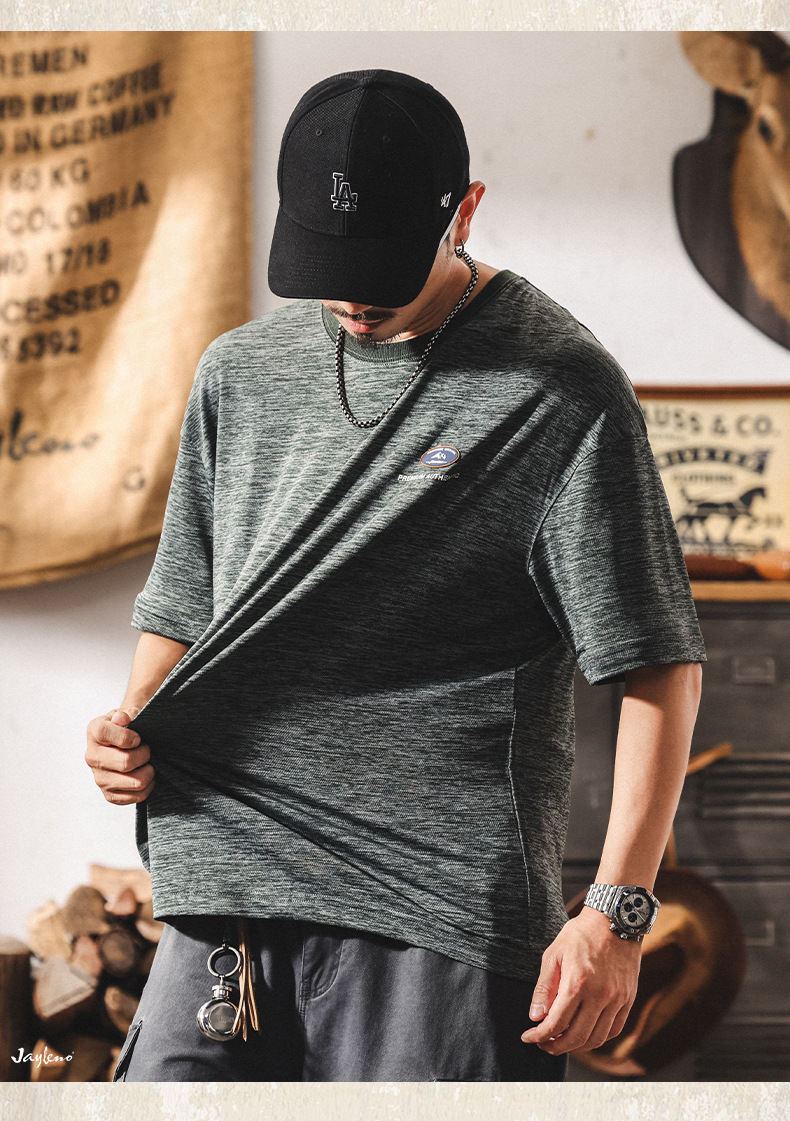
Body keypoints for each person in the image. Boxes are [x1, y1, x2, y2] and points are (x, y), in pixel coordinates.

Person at [85, 69, 705, 1082]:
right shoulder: (237, 373)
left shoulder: (560, 390)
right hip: (223, 886)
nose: (351, 297)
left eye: (382, 265)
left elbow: (659, 664)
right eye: (326, 263)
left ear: (464, 211)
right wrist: (127, 731)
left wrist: (617, 914)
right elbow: (185, 610)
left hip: (439, 915)